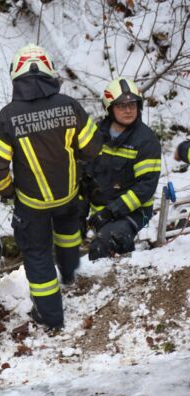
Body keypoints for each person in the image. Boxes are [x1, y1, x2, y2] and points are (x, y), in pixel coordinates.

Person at [0, 43, 101, 330]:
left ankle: (50, 317)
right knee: (67, 233)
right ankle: (71, 274)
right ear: (50, 71)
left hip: (32, 204)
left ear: (16, 76)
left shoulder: (7, 117)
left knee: (37, 256)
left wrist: (8, 191)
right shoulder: (70, 106)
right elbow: (93, 147)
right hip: (68, 196)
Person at [83, 77, 161, 261]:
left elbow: (145, 187)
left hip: (135, 211)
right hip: (101, 212)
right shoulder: (95, 135)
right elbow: (84, 176)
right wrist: (79, 215)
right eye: (121, 106)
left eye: (133, 105)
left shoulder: (146, 141)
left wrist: (111, 211)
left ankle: (120, 282)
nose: (128, 110)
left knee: (104, 245)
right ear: (110, 108)